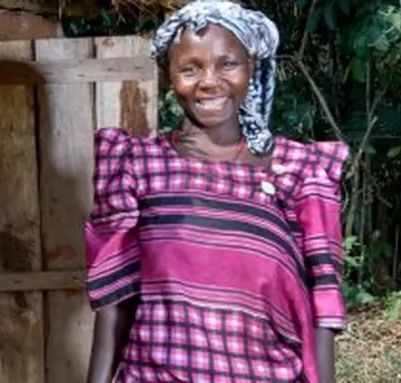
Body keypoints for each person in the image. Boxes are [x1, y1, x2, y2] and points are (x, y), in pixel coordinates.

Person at [83, 1, 349, 382]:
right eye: (190, 68)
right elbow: (115, 301)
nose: (209, 81)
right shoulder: (136, 165)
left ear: (252, 66)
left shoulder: (299, 171)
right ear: (168, 76)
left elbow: (324, 302)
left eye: (227, 64)